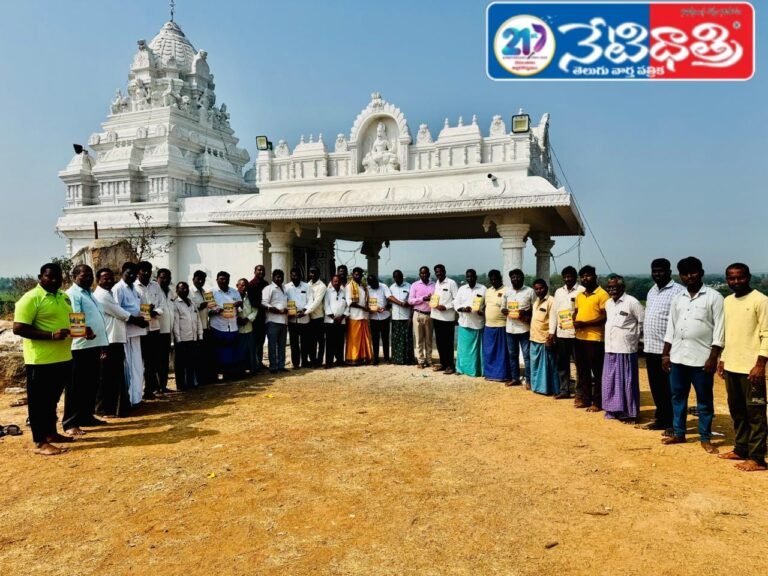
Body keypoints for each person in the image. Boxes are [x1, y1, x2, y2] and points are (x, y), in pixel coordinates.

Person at [662, 256, 724, 454]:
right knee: (677, 396)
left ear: (701, 272)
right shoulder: (678, 298)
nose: (689, 276)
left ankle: (705, 437)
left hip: (702, 359)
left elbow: (719, 330)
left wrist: (713, 357)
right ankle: (679, 433)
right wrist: (665, 354)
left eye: (693, 272)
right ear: (680, 276)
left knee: (704, 399)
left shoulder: (714, 297)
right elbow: (671, 327)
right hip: (678, 357)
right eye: (685, 273)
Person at [13, 263, 74, 455]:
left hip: (63, 357)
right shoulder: (31, 298)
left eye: (58, 277)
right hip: (40, 361)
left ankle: (51, 433)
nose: (55, 280)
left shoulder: (64, 296)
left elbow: (69, 322)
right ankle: (40, 442)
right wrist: (50, 336)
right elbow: (19, 328)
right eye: (50, 277)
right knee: (39, 403)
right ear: (41, 277)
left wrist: (82, 333)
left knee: (52, 400)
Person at [717, 263, 768, 471]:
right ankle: (741, 449)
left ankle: (757, 458)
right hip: (732, 365)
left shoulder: (761, 300)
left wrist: (760, 364)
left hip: (752, 369)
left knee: (755, 413)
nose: (735, 282)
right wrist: (723, 359)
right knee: (737, 410)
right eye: (731, 278)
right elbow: (729, 334)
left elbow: (767, 334)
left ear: (748, 277)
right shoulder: (728, 301)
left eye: (740, 277)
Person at [642, 258, 686, 432]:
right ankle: (661, 418)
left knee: (672, 389)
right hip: (650, 347)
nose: (657, 274)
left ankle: (674, 423)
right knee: (657, 387)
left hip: (668, 350)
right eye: (654, 271)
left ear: (669, 272)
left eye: (661, 271)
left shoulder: (679, 291)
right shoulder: (652, 291)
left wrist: (668, 352)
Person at [64, 264, 107, 435]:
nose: (88, 278)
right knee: (76, 386)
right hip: (80, 347)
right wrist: (83, 332)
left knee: (91, 384)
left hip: (94, 345)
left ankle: (86, 416)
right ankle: (70, 422)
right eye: (84, 275)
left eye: (90, 275)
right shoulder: (73, 294)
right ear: (74, 276)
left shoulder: (90, 294)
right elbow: (75, 317)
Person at [602, 275, 645, 422]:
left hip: (626, 349)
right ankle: (614, 410)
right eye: (609, 287)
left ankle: (630, 412)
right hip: (610, 348)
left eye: (615, 287)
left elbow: (642, 322)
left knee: (627, 382)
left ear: (622, 287)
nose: (612, 290)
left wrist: (638, 340)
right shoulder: (608, 303)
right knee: (611, 381)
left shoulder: (632, 302)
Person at [93, 267, 135, 417]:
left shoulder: (108, 293)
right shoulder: (101, 295)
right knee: (107, 377)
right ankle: (104, 408)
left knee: (115, 375)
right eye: (105, 278)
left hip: (115, 339)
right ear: (98, 280)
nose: (109, 280)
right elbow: (121, 313)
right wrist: (136, 319)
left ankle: (117, 407)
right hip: (108, 341)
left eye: (111, 278)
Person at [573, 265, 609, 412]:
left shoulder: (602, 294)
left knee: (597, 372)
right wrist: (573, 320)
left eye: (588, 275)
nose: (585, 278)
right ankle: (585, 399)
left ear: (595, 276)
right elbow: (576, 312)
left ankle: (598, 402)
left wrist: (585, 324)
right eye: (582, 276)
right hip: (579, 337)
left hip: (595, 338)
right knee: (582, 371)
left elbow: (605, 316)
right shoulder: (580, 295)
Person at [112, 262, 148, 406]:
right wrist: (134, 320)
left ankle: (137, 397)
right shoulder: (118, 289)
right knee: (129, 368)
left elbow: (138, 308)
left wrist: (146, 316)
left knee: (137, 366)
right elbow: (117, 312)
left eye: (134, 274)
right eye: (129, 273)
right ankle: (130, 400)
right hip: (125, 334)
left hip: (137, 333)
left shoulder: (134, 290)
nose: (132, 276)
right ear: (122, 272)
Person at [548, 266, 584, 399]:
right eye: (566, 276)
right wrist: (552, 332)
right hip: (562, 334)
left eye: (570, 276)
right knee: (562, 363)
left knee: (580, 364)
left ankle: (580, 392)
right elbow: (554, 313)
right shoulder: (559, 292)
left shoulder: (581, 291)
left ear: (575, 277)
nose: (568, 279)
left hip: (577, 334)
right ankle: (564, 390)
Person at [135, 261, 166, 399]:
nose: (147, 273)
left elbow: (162, 305)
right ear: (138, 272)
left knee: (152, 361)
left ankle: (150, 389)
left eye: (149, 270)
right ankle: (138, 390)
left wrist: (154, 312)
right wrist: (146, 312)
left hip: (154, 328)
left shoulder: (155, 286)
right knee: (139, 361)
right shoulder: (134, 287)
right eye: (143, 271)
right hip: (139, 329)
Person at [502, 269, 535, 387]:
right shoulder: (507, 292)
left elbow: (535, 308)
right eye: (513, 277)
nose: (515, 279)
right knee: (512, 355)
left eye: (518, 277)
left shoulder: (530, 291)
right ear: (510, 279)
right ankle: (515, 378)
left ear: (523, 277)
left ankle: (529, 380)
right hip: (510, 328)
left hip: (524, 329)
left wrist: (525, 313)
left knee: (527, 356)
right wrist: (505, 311)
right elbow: (503, 308)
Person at [209, 271, 242, 380]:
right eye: (221, 279)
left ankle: (230, 374)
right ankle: (217, 375)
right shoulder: (210, 292)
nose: (224, 281)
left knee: (232, 351)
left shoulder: (234, 291)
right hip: (218, 326)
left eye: (226, 279)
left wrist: (235, 304)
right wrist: (216, 310)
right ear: (217, 280)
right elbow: (207, 310)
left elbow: (240, 302)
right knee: (218, 351)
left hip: (232, 326)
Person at [529, 279, 559, 395]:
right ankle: (537, 387)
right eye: (536, 289)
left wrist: (550, 338)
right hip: (534, 338)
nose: (539, 291)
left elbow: (553, 319)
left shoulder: (551, 301)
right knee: (536, 365)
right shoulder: (536, 302)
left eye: (541, 288)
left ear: (546, 287)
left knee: (548, 366)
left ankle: (550, 389)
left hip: (545, 339)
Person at [454, 269, 485, 377]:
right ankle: (461, 369)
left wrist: (482, 311)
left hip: (477, 323)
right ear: (466, 278)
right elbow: (456, 303)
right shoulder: (462, 289)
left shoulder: (482, 289)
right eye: (468, 277)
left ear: (476, 277)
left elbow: (485, 305)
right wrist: (462, 309)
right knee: (463, 349)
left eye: (472, 277)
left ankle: (476, 371)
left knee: (476, 350)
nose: (470, 279)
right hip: (464, 323)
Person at [172, 281, 202, 390]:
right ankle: (180, 385)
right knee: (181, 364)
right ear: (177, 290)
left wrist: (200, 335)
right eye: (181, 288)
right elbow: (175, 323)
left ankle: (191, 383)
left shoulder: (192, 303)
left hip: (193, 338)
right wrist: (178, 339)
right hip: (182, 339)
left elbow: (198, 319)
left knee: (191, 362)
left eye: (186, 288)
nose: (184, 290)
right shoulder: (175, 304)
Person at [482, 270, 511, 382]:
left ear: (501, 278)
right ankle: (490, 374)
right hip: (488, 326)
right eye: (492, 279)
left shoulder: (507, 290)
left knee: (502, 353)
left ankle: (502, 375)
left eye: (496, 279)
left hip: (502, 326)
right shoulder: (488, 291)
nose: (494, 281)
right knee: (489, 352)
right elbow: (485, 306)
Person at [431, 264, 458, 374]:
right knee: (439, 342)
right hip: (436, 316)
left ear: (445, 271)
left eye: (440, 271)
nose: (439, 274)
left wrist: (446, 307)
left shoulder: (451, 283)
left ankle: (450, 365)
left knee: (448, 343)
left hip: (447, 318)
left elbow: (456, 300)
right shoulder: (436, 283)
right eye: (437, 272)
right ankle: (443, 363)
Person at [189, 270, 215, 385]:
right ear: (193, 279)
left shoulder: (205, 292)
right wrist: (202, 305)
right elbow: (191, 308)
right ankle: (197, 379)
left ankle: (205, 378)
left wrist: (215, 309)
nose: (200, 281)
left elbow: (210, 308)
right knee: (196, 355)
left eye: (202, 280)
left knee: (205, 355)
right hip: (195, 328)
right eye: (198, 279)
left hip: (206, 327)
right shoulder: (190, 292)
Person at [286, 268, 314, 369]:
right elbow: (286, 301)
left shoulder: (307, 286)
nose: (295, 277)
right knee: (294, 343)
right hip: (292, 319)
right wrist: (291, 312)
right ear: (290, 276)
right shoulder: (287, 287)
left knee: (305, 342)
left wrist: (305, 311)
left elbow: (311, 300)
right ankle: (296, 363)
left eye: (297, 275)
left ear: (300, 276)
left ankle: (305, 361)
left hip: (304, 318)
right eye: (293, 275)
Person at [262, 269, 289, 373]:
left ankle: (281, 366)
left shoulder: (285, 288)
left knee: (282, 345)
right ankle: (273, 367)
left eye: (281, 276)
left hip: (283, 321)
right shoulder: (268, 288)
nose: (279, 278)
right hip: (272, 321)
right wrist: (277, 311)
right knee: (272, 345)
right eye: (277, 276)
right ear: (273, 277)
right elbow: (264, 303)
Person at [345, 267, 373, 365]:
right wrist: (362, 307)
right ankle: (353, 358)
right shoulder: (349, 286)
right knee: (355, 339)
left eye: (359, 275)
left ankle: (364, 357)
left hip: (364, 316)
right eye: (355, 274)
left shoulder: (363, 286)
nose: (357, 276)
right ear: (352, 275)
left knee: (364, 338)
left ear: (362, 276)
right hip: (354, 316)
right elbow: (349, 302)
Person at [408, 266, 435, 369]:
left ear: (429, 274)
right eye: (422, 273)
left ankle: (429, 360)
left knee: (429, 339)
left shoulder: (434, 285)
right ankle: (420, 360)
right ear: (419, 274)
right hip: (418, 314)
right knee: (419, 339)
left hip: (430, 315)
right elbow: (410, 301)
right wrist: (423, 298)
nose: (424, 275)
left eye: (425, 273)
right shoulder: (415, 285)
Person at [155, 268, 175, 393]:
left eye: (167, 277)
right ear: (157, 278)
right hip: (157, 331)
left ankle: (163, 385)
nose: (165, 280)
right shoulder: (154, 291)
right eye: (162, 277)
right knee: (157, 361)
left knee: (164, 360)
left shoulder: (171, 292)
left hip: (168, 331)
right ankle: (156, 387)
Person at [389, 270, 414, 365]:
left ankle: (408, 359)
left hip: (406, 317)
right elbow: (389, 301)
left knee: (407, 340)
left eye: (399, 277)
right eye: (395, 277)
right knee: (396, 339)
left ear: (402, 276)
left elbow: (412, 304)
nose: (397, 279)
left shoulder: (409, 286)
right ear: (393, 278)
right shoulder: (391, 288)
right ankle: (396, 359)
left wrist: (411, 317)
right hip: (395, 317)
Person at [247, 265, 269, 370]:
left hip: (264, 317)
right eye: (259, 270)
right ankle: (253, 363)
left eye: (263, 270)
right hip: (255, 317)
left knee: (261, 341)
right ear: (254, 271)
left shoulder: (266, 284)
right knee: (254, 342)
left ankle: (259, 362)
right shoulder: (251, 284)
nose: (261, 272)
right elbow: (253, 302)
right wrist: (264, 306)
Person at [367, 274, 392, 365]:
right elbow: (366, 303)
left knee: (385, 338)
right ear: (369, 283)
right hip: (373, 317)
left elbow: (389, 298)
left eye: (376, 282)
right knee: (375, 339)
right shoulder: (367, 289)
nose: (375, 284)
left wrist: (385, 307)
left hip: (385, 316)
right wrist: (373, 309)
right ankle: (376, 358)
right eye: (372, 283)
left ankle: (386, 358)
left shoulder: (383, 286)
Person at [323, 274, 347, 368]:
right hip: (330, 321)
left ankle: (340, 361)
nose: (336, 283)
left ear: (340, 282)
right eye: (334, 281)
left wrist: (341, 317)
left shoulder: (344, 292)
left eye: (338, 281)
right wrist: (333, 317)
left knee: (340, 342)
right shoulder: (327, 292)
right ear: (332, 282)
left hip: (341, 321)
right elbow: (326, 306)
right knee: (330, 342)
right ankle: (329, 362)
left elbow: (348, 306)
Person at [236, 278, 258, 375]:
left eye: (245, 286)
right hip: (237, 329)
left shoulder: (250, 297)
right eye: (241, 285)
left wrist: (247, 318)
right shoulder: (233, 297)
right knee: (240, 351)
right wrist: (237, 319)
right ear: (237, 286)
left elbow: (255, 310)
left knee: (251, 351)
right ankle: (241, 370)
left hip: (249, 327)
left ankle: (253, 370)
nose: (243, 287)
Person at [306, 266, 327, 368]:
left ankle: (319, 361)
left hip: (318, 317)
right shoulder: (307, 285)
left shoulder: (322, 286)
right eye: (311, 272)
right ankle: (313, 360)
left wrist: (305, 312)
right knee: (310, 341)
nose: (312, 274)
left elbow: (316, 302)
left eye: (314, 272)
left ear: (319, 274)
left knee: (320, 341)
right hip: (309, 318)